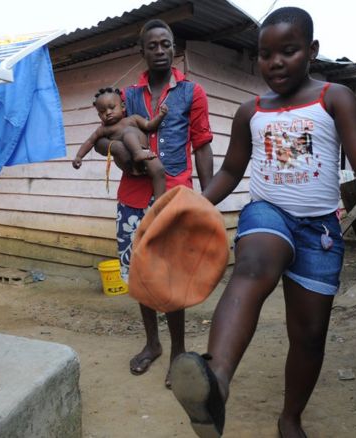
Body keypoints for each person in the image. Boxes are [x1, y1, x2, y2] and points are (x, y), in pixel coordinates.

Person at [170, 7, 356, 438]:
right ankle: (215, 383)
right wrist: (193, 206)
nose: (275, 63)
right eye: (265, 55)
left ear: (312, 51)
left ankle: (290, 417)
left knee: (310, 334)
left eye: (289, 51)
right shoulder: (250, 111)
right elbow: (229, 172)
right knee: (253, 266)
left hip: (319, 230)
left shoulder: (333, 98)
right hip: (267, 213)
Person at [94, 19, 214, 388]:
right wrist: (121, 153)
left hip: (175, 195)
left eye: (166, 44)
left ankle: (178, 350)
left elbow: (202, 144)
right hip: (133, 199)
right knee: (139, 273)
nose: (160, 51)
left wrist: (208, 200)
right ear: (141, 51)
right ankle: (152, 344)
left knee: (172, 274)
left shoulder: (192, 93)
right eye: (152, 46)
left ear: (174, 48)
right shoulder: (126, 96)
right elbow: (100, 140)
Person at [72, 87, 168, 198]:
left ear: (123, 107)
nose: (108, 113)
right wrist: (79, 156)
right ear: (99, 116)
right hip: (128, 160)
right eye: (103, 111)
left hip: (145, 153)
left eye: (112, 108)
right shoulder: (103, 130)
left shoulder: (133, 119)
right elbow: (90, 141)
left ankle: (159, 203)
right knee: (127, 132)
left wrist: (161, 116)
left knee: (159, 170)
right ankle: (137, 154)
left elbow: (149, 125)